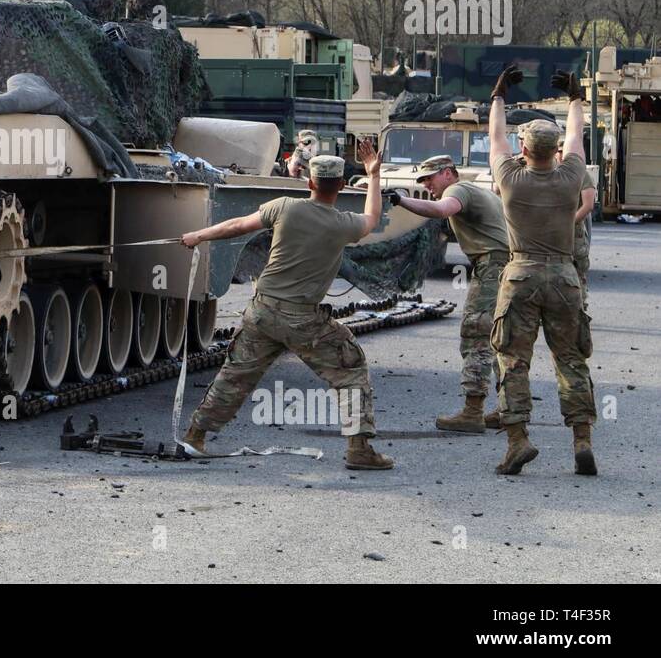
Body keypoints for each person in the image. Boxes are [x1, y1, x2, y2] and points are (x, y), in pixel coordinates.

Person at [179, 140, 392, 470]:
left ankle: (195, 436)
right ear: (342, 186)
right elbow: (373, 216)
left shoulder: (283, 207)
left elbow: (237, 226)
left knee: (234, 376)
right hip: (303, 320)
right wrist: (374, 175)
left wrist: (198, 236)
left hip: (262, 312)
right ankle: (359, 449)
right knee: (350, 368)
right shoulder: (344, 225)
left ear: (308, 182)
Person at [487, 65, 597, 476]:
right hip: (565, 277)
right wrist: (575, 100)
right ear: (556, 152)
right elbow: (576, 137)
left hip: (520, 276)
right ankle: (582, 440)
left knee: (513, 360)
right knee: (571, 359)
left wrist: (498, 96)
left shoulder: (510, 179)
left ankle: (517, 441)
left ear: (524, 148)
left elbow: (496, 137)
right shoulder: (572, 176)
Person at [389, 155, 509, 433]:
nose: (427, 184)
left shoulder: (457, 191)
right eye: (423, 180)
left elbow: (442, 210)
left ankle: (472, 412)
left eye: (430, 178)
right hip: (508, 266)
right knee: (504, 338)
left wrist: (401, 200)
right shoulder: (479, 192)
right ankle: (509, 408)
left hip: (492, 267)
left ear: (448, 173)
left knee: (477, 333)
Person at [557, 139, 596, 303]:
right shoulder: (549, 171)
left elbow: (588, 205)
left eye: (564, 151)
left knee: (577, 275)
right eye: (558, 152)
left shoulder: (581, 174)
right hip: (549, 233)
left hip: (573, 234)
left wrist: (567, 224)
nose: (561, 155)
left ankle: (579, 312)